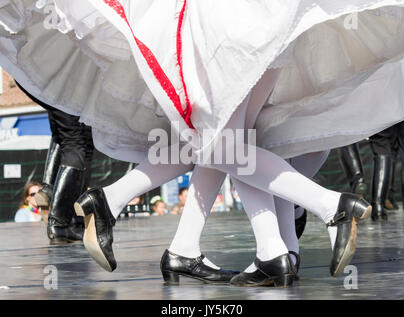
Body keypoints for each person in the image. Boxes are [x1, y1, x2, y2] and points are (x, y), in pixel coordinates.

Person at [2, 1, 404, 288]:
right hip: (275, 19)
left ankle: (324, 210)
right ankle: (254, 249)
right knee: (236, 136)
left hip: (226, 20)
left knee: (220, 141)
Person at [15, 83, 95, 245]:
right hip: (61, 79)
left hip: (34, 75)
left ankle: (50, 190)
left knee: (65, 134)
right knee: (77, 141)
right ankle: (60, 223)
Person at [368, 121, 404, 221]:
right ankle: (389, 198)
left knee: (381, 145)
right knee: (393, 149)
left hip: (381, 110)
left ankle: (378, 207)